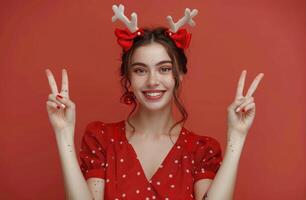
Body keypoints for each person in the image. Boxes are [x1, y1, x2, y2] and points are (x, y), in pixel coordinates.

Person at [45, 4, 264, 200]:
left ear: (178, 76)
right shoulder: (102, 139)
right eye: (140, 70)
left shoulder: (201, 150)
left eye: (164, 69)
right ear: (128, 80)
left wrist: (237, 136)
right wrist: (63, 133)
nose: (152, 80)